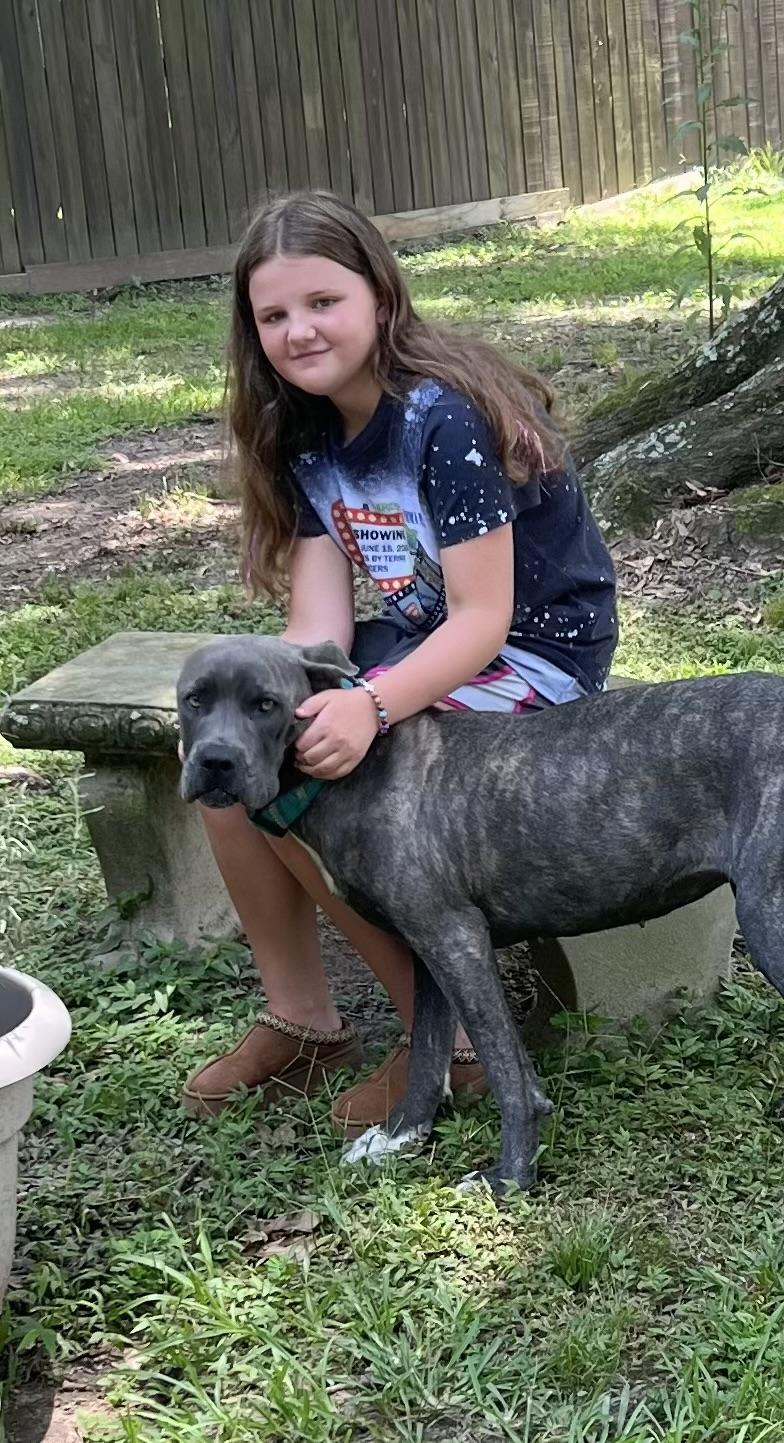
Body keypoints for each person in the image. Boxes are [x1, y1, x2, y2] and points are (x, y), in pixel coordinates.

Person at [183, 190, 618, 1138]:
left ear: (380, 295)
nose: (299, 330)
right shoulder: (308, 436)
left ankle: (449, 1037)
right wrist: (268, 710)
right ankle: (304, 1022)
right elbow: (318, 630)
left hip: (533, 658)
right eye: (273, 315)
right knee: (241, 766)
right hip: (425, 646)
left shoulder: (441, 421)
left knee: (325, 784)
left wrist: (371, 708)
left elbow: (485, 621)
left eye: (322, 302)